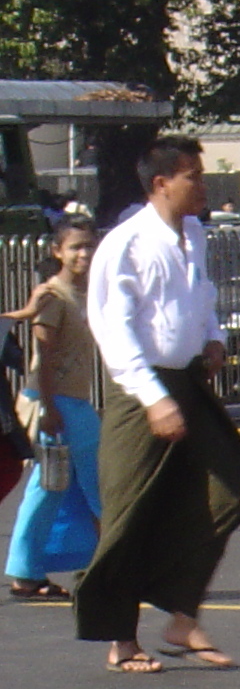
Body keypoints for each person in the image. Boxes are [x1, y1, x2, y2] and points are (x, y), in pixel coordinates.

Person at [81, 136, 240, 674]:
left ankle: (181, 616)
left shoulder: (193, 234)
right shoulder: (125, 245)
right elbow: (113, 329)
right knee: (131, 513)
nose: (201, 184)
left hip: (188, 381)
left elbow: (201, 296)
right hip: (139, 391)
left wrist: (213, 336)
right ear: (161, 184)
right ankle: (120, 639)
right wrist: (153, 399)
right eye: (192, 175)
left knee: (221, 493)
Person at [8, 215, 104, 601]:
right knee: (84, 484)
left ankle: (28, 570)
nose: (83, 253)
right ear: (57, 252)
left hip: (74, 401)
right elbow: (42, 358)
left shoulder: (86, 293)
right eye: (75, 247)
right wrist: (48, 408)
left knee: (53, 487)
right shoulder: (52, 296)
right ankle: (115, 566)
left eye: (88, 245)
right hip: (54, 402)